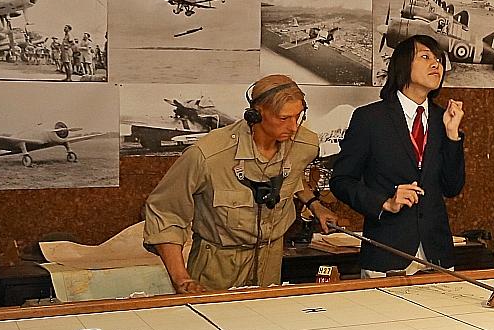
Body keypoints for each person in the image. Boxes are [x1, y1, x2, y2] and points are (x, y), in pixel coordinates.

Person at [144, 74, 335, 293]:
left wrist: (315, 205)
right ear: (257, 114)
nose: (293, 127)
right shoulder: (208, 155)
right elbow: (165, 212)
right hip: (217, 264)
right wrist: (182, 280)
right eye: (284, 118)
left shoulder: (305, 145)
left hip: (270, 259)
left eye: (298, 116)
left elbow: (293, 176)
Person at [331, 35, 466, 274]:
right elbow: (341, 180)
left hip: (437, 255)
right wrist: (384, 202)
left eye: (439, 60)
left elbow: (452, 187)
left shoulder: (442, 119)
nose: (436, 65)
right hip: (387, 253)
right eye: (425, 57)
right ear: (403, 64)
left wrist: (452, 135)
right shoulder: (370, 119)